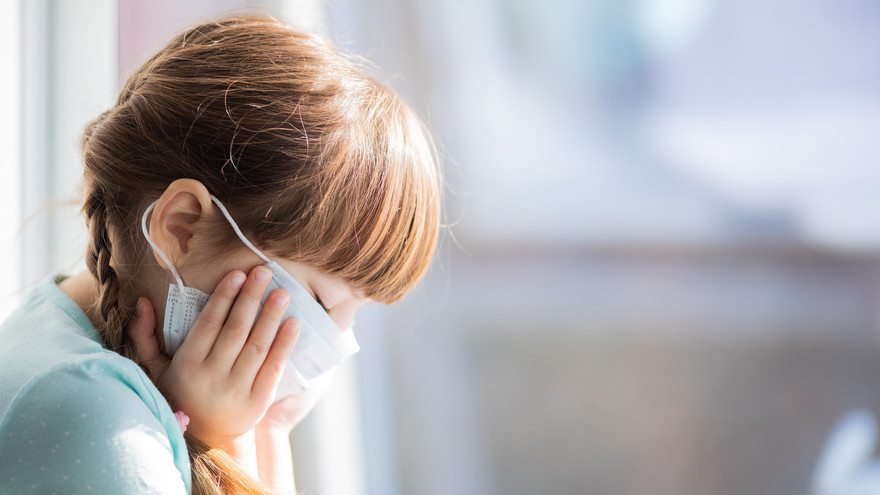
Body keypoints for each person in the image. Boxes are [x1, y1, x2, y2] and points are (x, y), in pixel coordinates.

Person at [0, 15, 441, 495]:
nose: (333, 347)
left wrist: (259, 431)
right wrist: (223, 443)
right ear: (181, 226)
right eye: (320, 302)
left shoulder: (57, 326)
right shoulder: (97, 417)